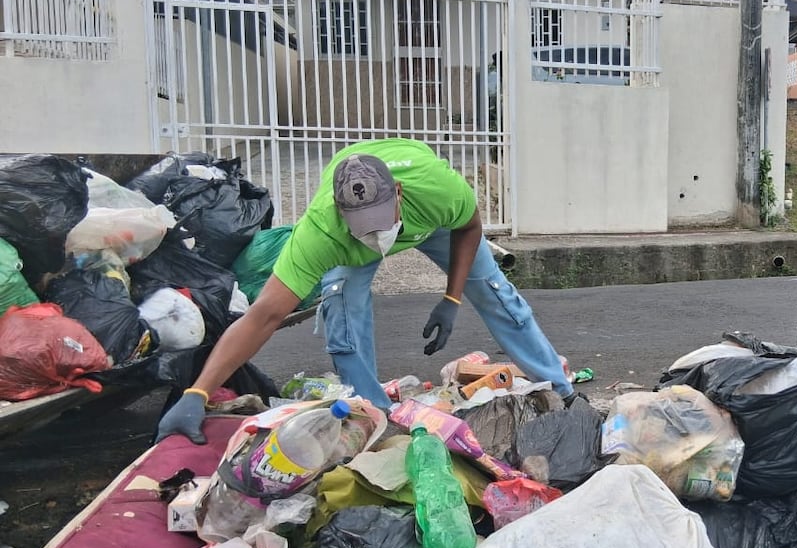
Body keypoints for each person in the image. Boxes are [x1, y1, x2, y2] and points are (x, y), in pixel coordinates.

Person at [156, 138, 574, 444]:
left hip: (429, 221)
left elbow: (469, 227)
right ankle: (376, 417)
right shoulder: (321, 231)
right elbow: (264, 314)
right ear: (340, 213)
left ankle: (559, 388)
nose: (376, 236)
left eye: (380, 221)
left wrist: (452, 297)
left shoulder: (437, 190)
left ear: (398, 195)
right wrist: (199, 391)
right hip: (345, 245)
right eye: (362, 227)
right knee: (341, 305)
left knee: (496, 292)